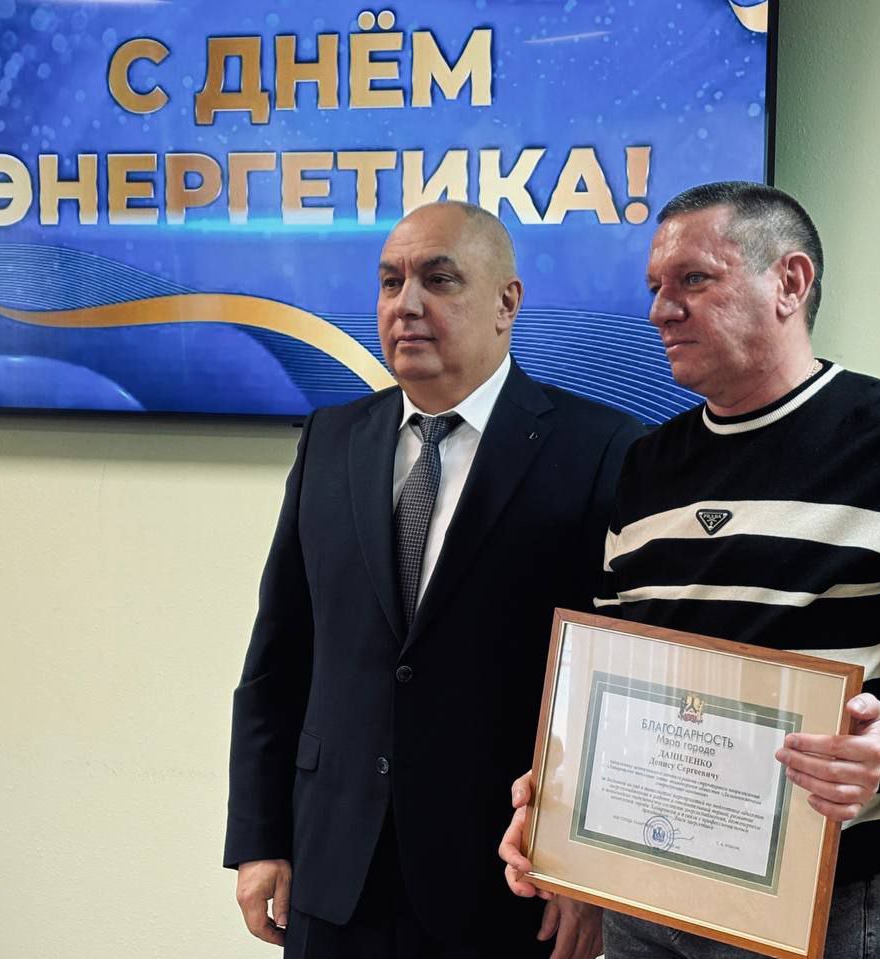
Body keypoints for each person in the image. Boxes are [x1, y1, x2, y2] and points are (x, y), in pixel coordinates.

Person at [499, 182, 880, 958]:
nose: (660, 311)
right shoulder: (646, 464)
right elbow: (610, 669)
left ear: (789, 282)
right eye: (654, 287)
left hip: (819, 903)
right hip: (642, 892)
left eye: (693, 279)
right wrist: (557, 791)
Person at [225, 201, 644, 959]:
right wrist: (259, 838)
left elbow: (620, 682)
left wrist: (590, 872)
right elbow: (278, 659)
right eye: (390, 282)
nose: (406, 304)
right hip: (333, 869)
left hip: (506, 881)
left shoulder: (602, 449)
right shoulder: (331, 441)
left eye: (438, 280)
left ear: (506, 303)